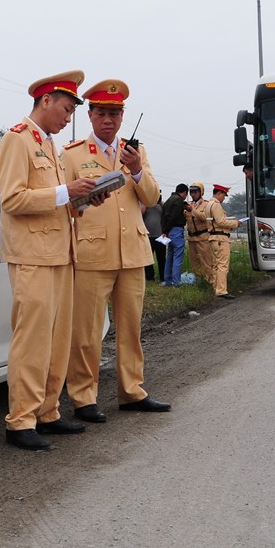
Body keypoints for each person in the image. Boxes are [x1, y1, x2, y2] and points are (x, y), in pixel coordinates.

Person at [0, 70, 106, 451]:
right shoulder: (17, 140)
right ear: (46, 101)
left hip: (60, 254)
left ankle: (47, 411)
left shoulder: (48, 145)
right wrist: (65, 191)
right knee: (32, 341)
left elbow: (57, 202)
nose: (68, 117)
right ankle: (20, 420)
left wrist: (82, 199)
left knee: (57, 341)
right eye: (66, 109)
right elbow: (12, 199)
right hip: (32, 257)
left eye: (72, 110)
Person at [62, 79, 170, 421]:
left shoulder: (135, 153)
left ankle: (132, 391)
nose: (108, 120)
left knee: (131, 329)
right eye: (102, 113)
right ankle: (84, 398)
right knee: (86, 332)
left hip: (133, 253)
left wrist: (136, 169)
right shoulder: (72, 154)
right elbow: (65, 205)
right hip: (92, 254)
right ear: (90, 115)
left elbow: (152, 198)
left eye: (115, 113)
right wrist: (83, 197)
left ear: (123, 117)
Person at [208, 184, 242, 299]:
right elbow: (221, 222)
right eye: (223, 195)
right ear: (219, 193)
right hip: (221, 239)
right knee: (222, 265)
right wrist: (235, 223)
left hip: (213, 238)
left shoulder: (208, 204)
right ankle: (222, 290)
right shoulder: (216, 205)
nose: (223, 198)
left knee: (216, 265)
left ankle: (216, 287)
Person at [160, 183, 188, 287]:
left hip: (168, 232)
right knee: (178, 257)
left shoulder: (168, 201)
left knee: (170, 256)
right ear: (184, 192)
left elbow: (163, 217)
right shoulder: (179, 200)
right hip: (176, 229)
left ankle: (167, 280)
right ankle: (176, 282)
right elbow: (174, 217)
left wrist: (165, 230)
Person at [184, 182, 213, 284]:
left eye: (195, 192)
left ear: (201, 192)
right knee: (194, 262)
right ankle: (199, 282)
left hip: (203, 237)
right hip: (192, 238)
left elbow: (204, 217)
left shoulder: (206, 204)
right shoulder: (189, 204)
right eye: (191, 192)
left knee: (206, 261)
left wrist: (192, 210)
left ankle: (210, 281)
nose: (193, 194)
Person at [143, 194, 166, 282]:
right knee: (148, 258)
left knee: (162, 258)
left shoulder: (161, 205)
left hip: (160, 236)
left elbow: (166, 211)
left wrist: (159, 201)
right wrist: (146, 201)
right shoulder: (145, 205)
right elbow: (141, 213)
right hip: (148, 236)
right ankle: (149, 277)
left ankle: (163, 277)